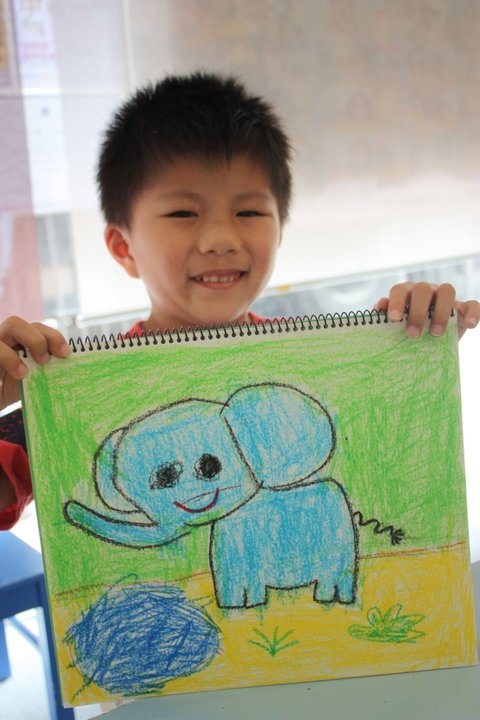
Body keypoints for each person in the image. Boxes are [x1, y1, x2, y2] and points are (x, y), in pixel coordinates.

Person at [0, 72, 479, 530]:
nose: (221, 239)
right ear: (124, 248)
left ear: (280, 228)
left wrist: (409, 350)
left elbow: (381, 449)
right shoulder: (80, 390)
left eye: (248, 211)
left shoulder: (316, 363)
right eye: (183, 212)